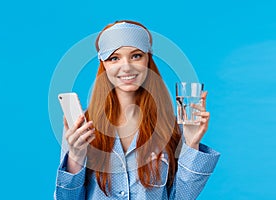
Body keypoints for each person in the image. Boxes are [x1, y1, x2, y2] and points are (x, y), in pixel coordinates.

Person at [54, 20, 220, 200]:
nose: (126, 66)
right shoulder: (82, 126)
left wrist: (192, 144)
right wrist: (75, 157)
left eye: (136, 56)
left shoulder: (170, 126)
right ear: (104, 64)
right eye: (114, 58)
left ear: (148, 59)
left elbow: (181, 197)